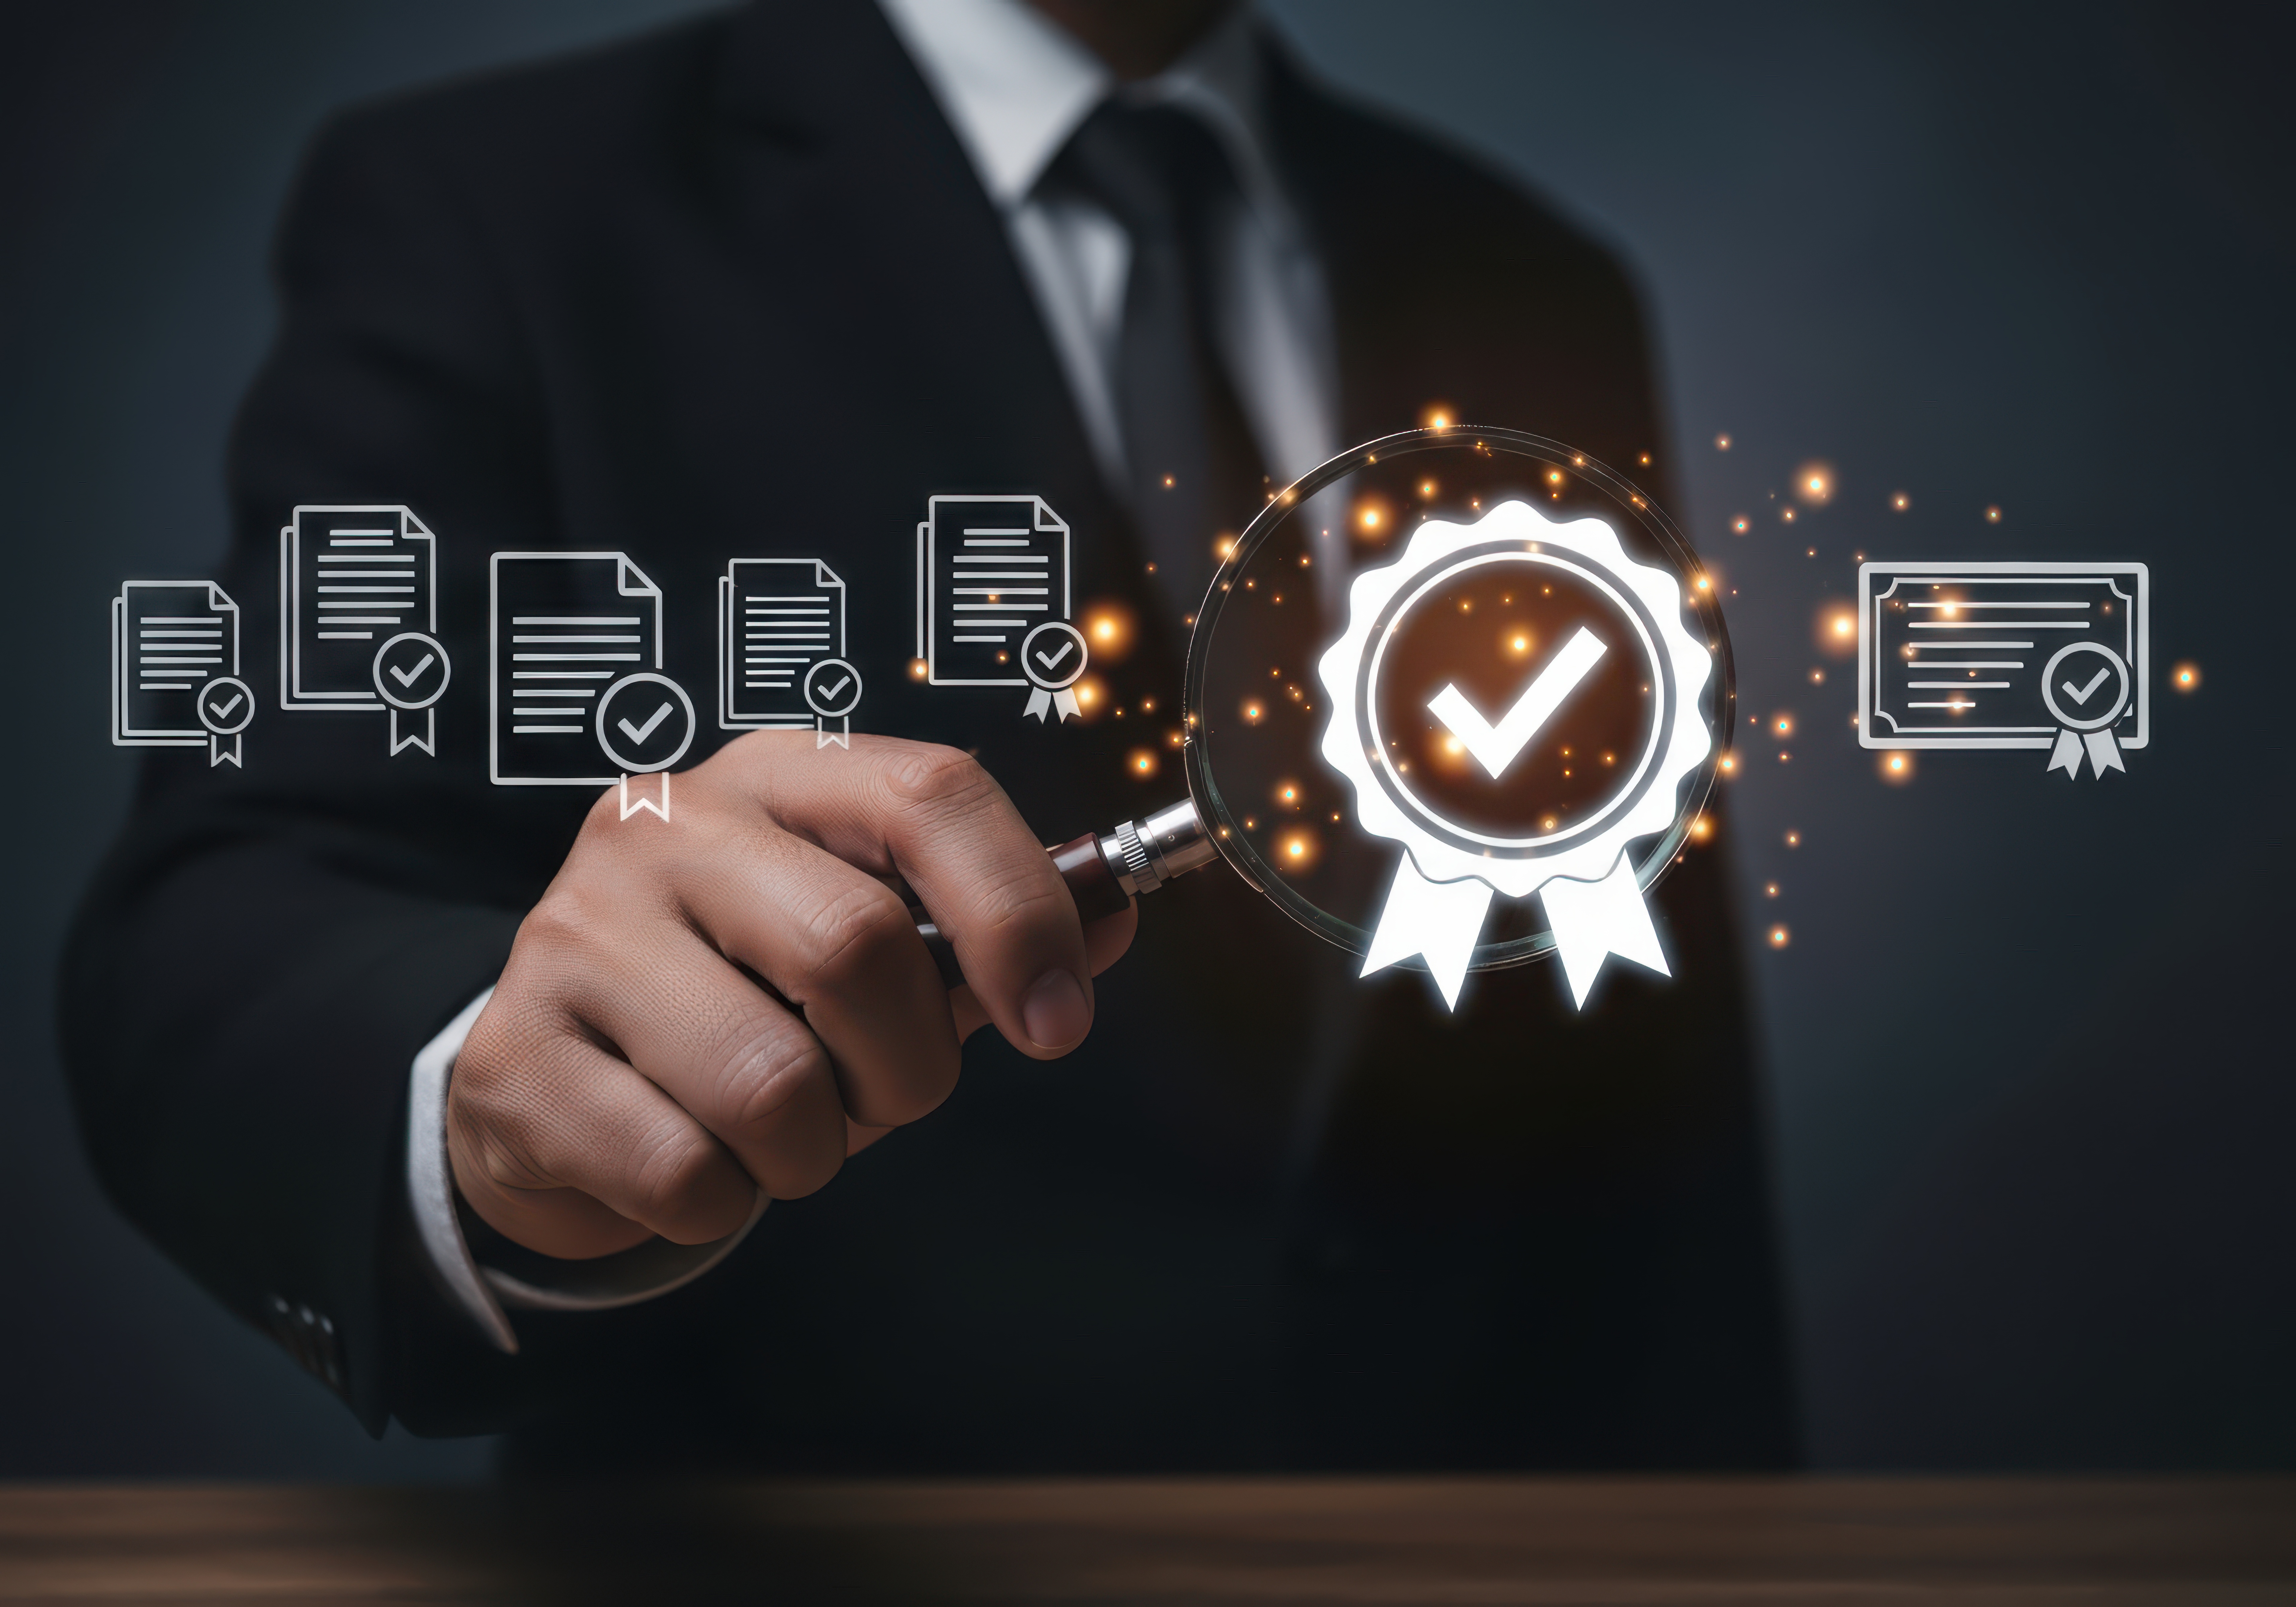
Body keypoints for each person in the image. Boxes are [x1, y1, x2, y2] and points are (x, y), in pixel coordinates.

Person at [62, 0, 1795, 1471]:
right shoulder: (498, 207)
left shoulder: (1532, 274)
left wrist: (1735, 1518)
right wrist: (491, 1104)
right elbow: (229, 920)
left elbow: (1643, 1002)